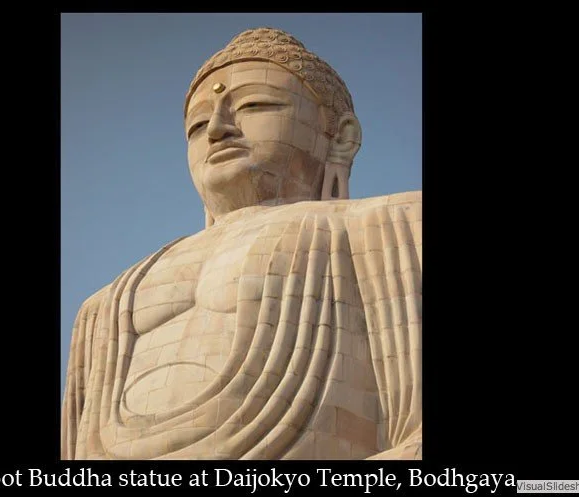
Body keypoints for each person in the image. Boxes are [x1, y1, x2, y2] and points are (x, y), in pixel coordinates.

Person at [62, 27, 421, 460]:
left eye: (255, 105)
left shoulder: (389, 226)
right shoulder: (104, 305)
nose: (217, 130)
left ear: (341, 137)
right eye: (196, 126)